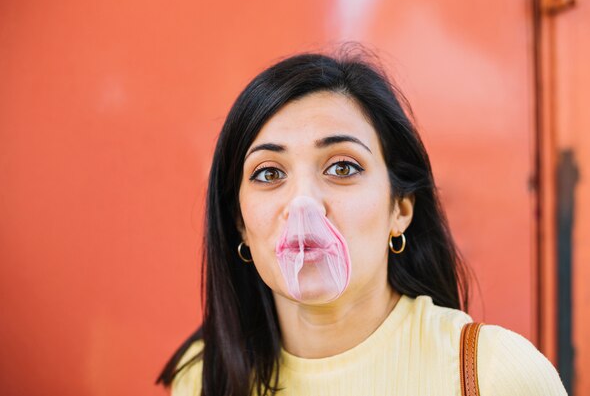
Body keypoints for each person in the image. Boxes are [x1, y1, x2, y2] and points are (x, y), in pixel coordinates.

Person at [156, 48, 567, 396]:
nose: (303, 204)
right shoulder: (203, 378)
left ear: (400, 209)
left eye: (342, 167)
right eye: (269, 173)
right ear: (240, 224)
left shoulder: (498, 374)